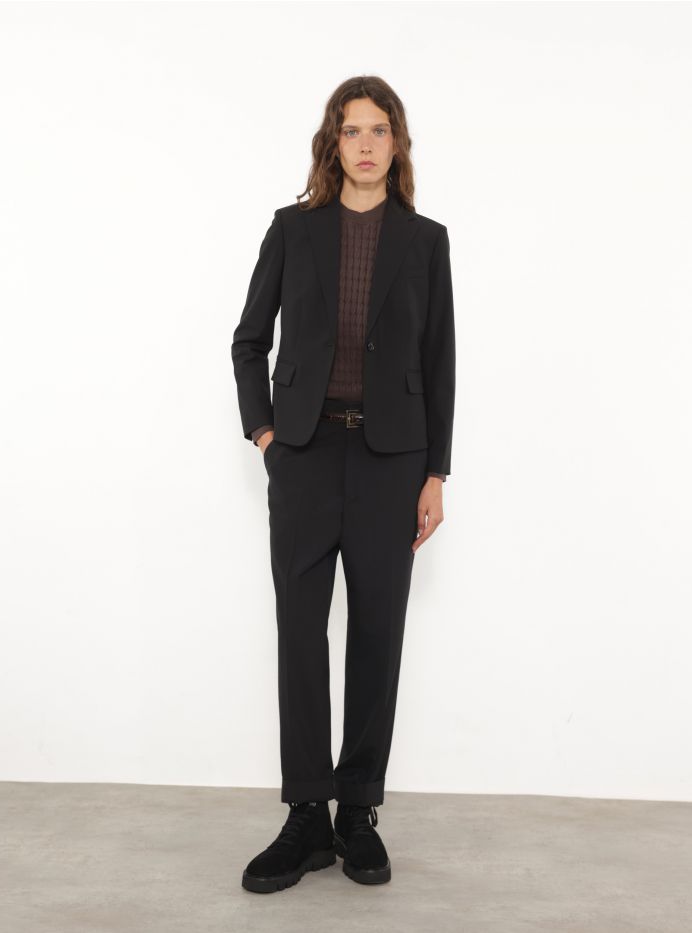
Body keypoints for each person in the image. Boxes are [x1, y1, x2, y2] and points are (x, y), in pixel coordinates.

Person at [232, 75, 455, 894]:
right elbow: (248, 340)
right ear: (333, 142)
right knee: (300, 630)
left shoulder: (425, 241)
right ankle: (306, 815)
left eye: (378, 130)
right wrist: (267, 436)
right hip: (306, 452)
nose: (364, 144)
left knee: (377, 631)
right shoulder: (293, 229)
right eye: (350, 130)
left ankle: (358, 811)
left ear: (397, 144)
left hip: (393, 462)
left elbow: (440, 362)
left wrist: (436, 472)